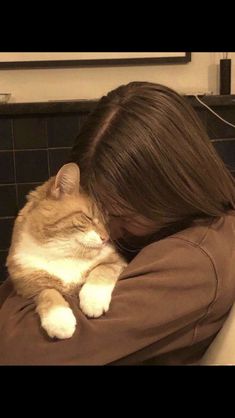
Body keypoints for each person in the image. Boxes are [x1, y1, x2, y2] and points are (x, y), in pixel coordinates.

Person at [1, 81, 235, 365]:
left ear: (168, 190)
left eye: (122, 217)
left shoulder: (194, 261)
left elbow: (20, 351)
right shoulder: (176, 228)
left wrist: (26, 266)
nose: (108, 233)